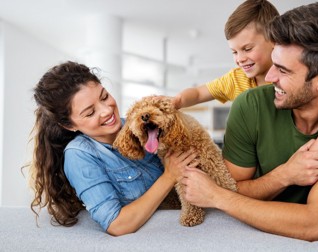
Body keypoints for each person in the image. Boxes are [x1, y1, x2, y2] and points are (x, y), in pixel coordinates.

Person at [181, 2, 318, 241]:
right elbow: (232, 186)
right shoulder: (250, 104)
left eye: (283, 70)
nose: (268, 77)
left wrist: (216, 197)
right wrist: (285, 175)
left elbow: (315, 223)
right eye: (273, 62)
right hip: (240, 235)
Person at [29, 61, 197, 236]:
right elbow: (116, 224)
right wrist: (169, 176)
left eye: (104, 97)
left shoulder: (139, 124)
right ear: (69, 125)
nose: (106, 110)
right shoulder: (79, 155)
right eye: (90, 112)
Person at [173, 0, 318, 153]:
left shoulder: (296, 77)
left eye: (247, 49)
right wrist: (175, 101)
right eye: (234, 52)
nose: (240, 59)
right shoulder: (236, 79)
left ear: (274, 40)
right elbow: (198, 93)